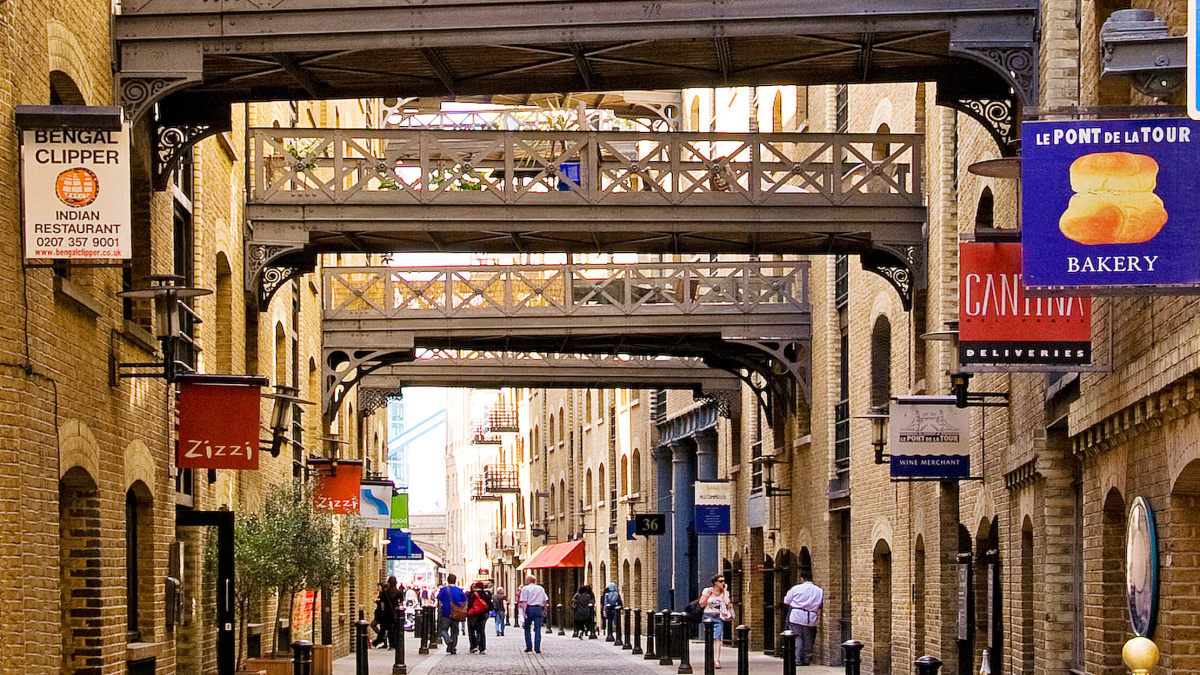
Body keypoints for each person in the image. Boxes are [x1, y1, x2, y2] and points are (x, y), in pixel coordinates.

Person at [783, 571, 824, 666]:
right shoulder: (819, 590)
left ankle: (797, 659)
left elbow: (786, 601)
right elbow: (820, 603)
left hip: (796, 616)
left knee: (797, 638)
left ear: (802, 579)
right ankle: (807, 659)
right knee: (809, 638)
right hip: (811, 616)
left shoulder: (796, 588)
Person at [700, 574, 735, 668]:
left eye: (724, 581)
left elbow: (727, 602)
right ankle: (709, 658)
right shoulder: (707, 590)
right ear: (715, 582)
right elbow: (701, 604)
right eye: (720, 581)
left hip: (718, 617)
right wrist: (708, 595)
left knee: (718, 639)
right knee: (709, 639)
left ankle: (716, 660)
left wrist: (724, 590)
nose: (723, 583)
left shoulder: (724, 593)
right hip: (707, 617)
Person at [437, 574, 469, 655]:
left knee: (443, 630)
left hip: (445, 612)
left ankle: (448, 640)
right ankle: (453, 647)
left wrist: (440, 610)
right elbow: (465, 601)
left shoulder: (443, 590)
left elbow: (439, 601)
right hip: (456, 613)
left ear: (448, 580)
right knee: (455, 631)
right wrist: (460, 607)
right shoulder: (459, 590)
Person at [517, 573, 548, 653]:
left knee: (527, 628)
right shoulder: (540, 588)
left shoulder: (525, 589)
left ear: (528, 581)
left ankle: (529, 646)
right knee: (538, 629)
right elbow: (545, 600)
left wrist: (524, 612)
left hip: (529, 608)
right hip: (538, 608)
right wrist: (544, 610)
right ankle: (537, 648)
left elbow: (524, 601)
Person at [466, 581, 493, 654]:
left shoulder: (472, 594)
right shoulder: (486, 595)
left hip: (473, 615)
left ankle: (473, 646)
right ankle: (482, 648)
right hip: (483, 615)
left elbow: (469, 604)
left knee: (472, 631)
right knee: (481, 631)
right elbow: (491, 606)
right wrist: (485, 610)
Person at [370, 582, 391, 648]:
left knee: (373, 625)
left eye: (378, 587)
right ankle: (384, 640)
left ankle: (382, 637)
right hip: (380, 614)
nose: (377, 588)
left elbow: (383, 604)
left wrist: (377, 601)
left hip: (380, 614)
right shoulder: (382, 594)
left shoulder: (383, 595)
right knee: (382, 628)